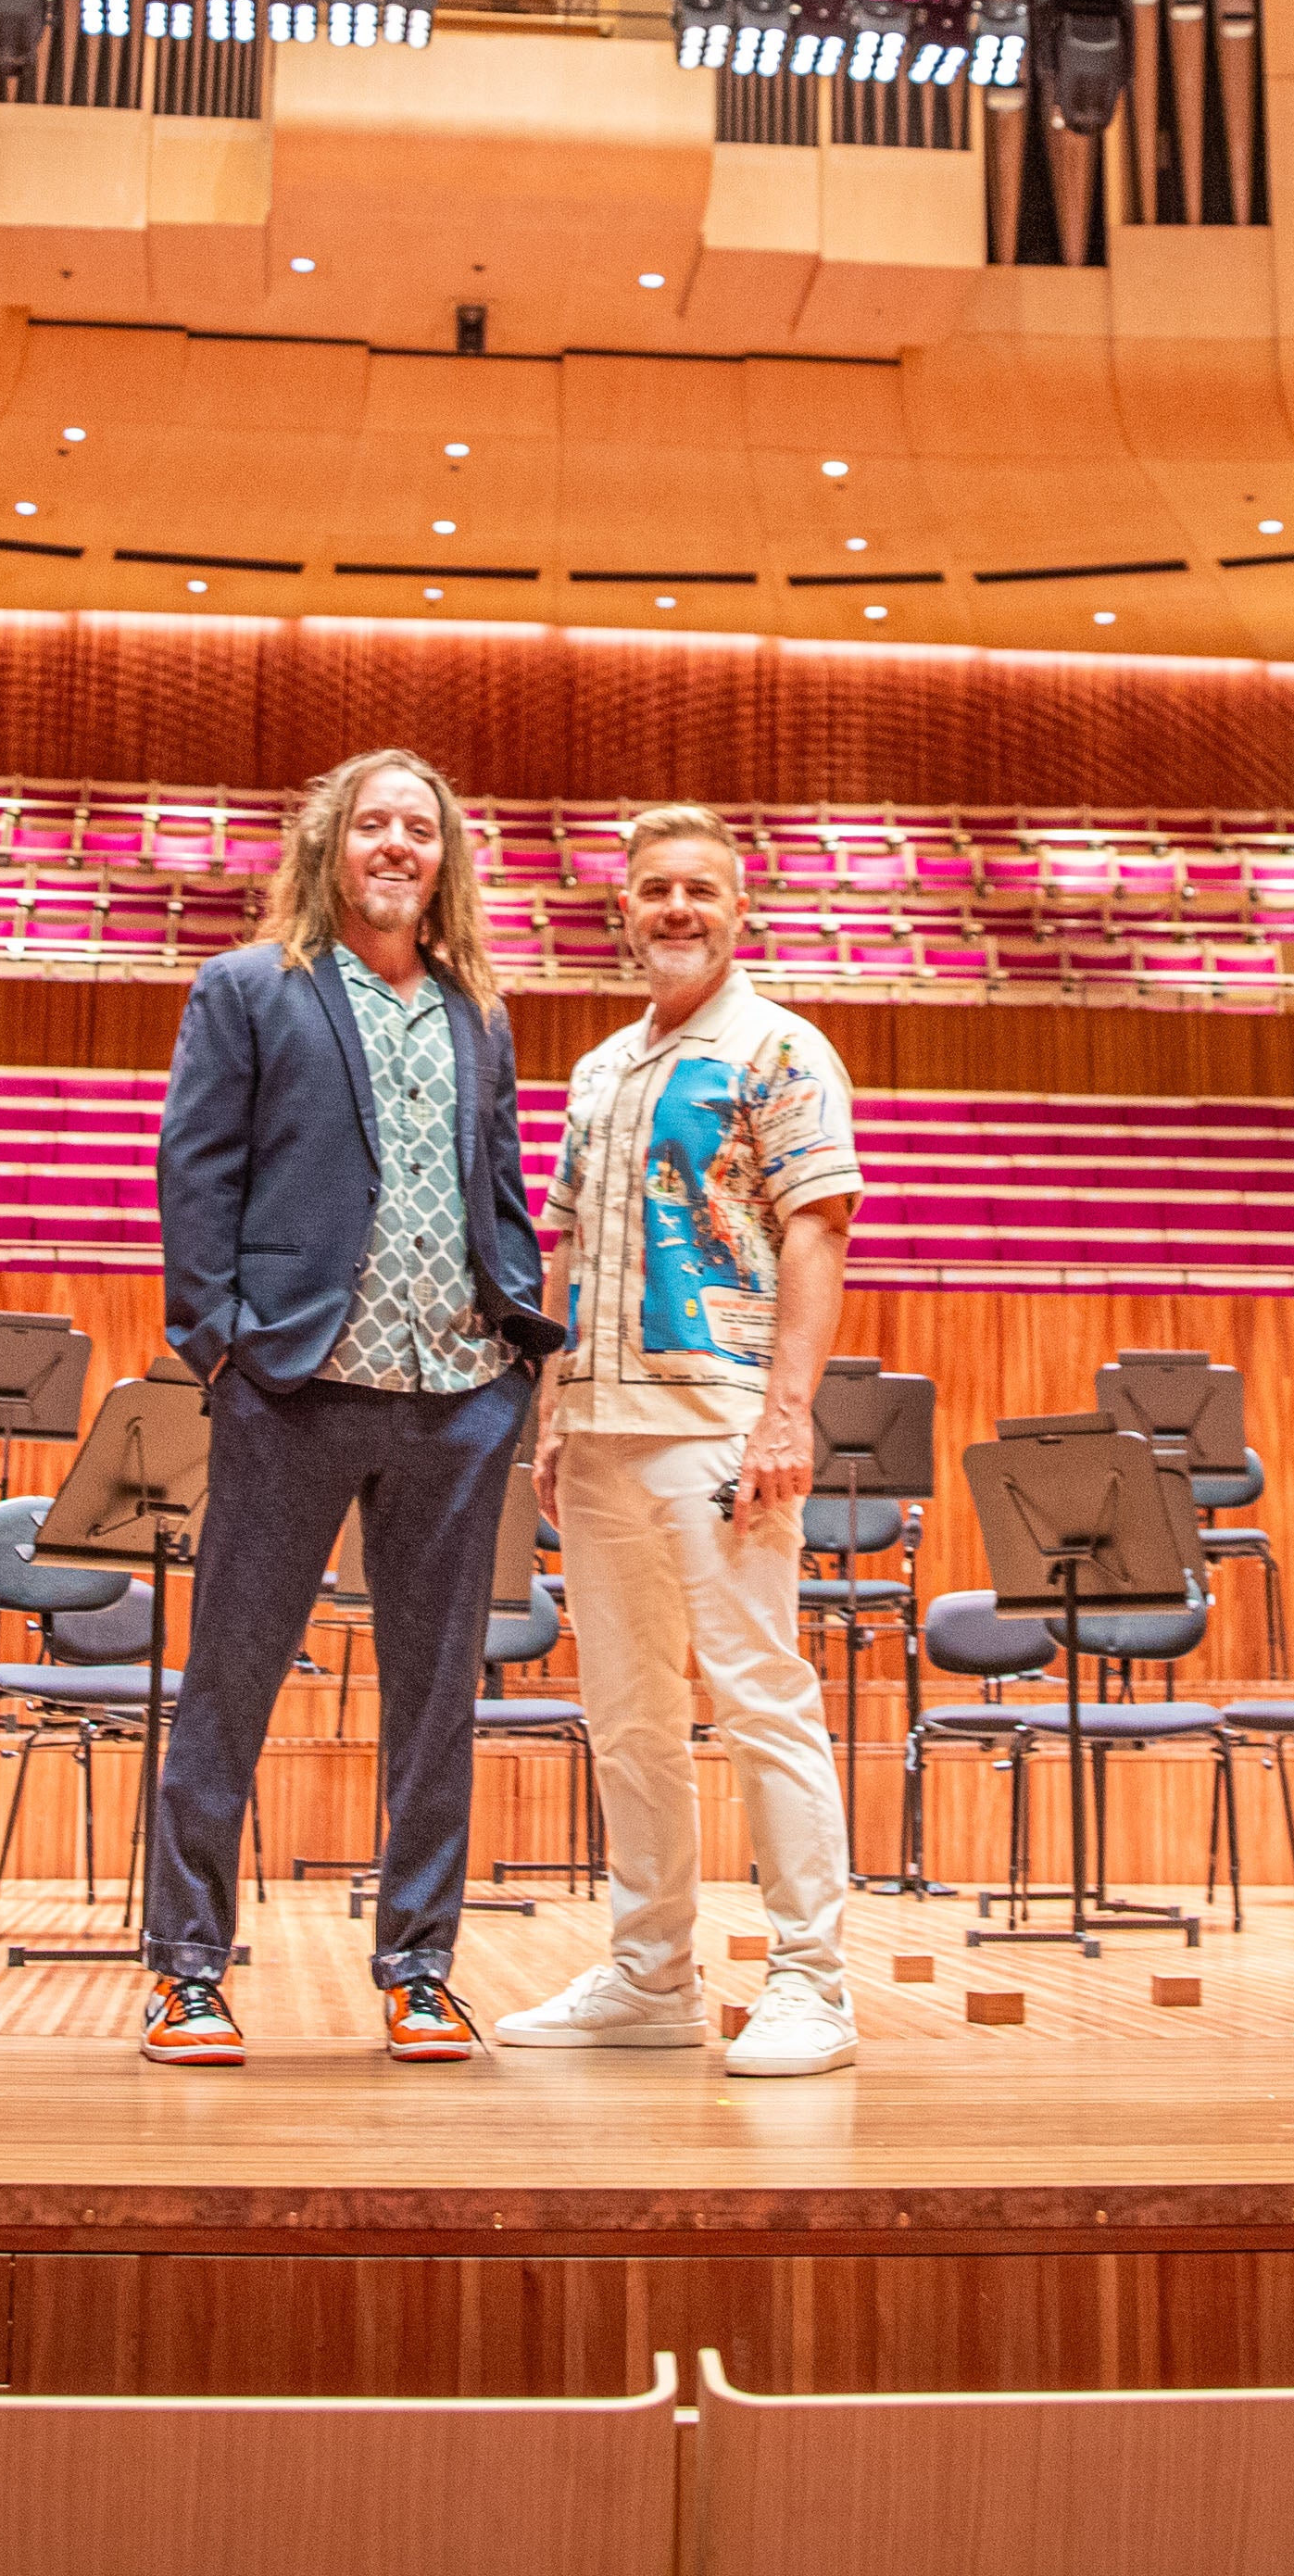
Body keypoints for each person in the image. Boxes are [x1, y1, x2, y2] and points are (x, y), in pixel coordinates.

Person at [132, 745, 558, 2068]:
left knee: (439, 1700)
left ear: (443, 861)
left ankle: (420, 1968)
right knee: (233, 1683)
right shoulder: (251, 988)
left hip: (456, 1393)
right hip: (297, 1386)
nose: (395, 846)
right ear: (330, 845)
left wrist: (516, 1327)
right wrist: (218, 1343)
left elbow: (497, 1184)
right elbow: (193, 1168)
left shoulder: (476, 1006)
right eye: (372, 824)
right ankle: (187, 1970)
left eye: (418, 831)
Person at [491, 805, 865, 2079]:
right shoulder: (599, 1071)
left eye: (702, 889)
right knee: (628, 1716)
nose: (678, 909)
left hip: (718, 1417)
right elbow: (567, 1248)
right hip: (596, 1431)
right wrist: (552, 1416)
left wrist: (787, 1411)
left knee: (761, 1696)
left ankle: (812, 1981)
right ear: (625, 908)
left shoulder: (780, 1047)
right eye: (656, 889)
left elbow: (818, 1228)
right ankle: (653, 1976)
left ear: (738, 909)